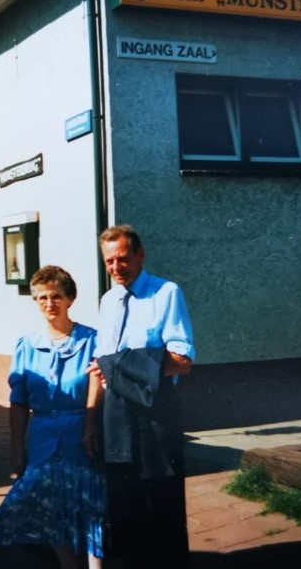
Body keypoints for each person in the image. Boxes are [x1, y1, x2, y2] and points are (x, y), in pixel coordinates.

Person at [87, 224, 195, 569]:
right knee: (124, 501)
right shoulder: (108, 301)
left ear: (140, 255)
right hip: (115, 413)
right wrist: (90, 421)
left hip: (155, 411)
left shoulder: (166, 293)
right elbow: (99, 366)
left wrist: (118, 365)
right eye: (109, 261)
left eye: (122, 258)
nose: (116, 267)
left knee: (161, 499)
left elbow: (182, 361)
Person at [0, 265, 104, 569]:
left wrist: (90, 425)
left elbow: (97, 384)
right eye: (42, 298)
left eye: (57, 296)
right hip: (42, 436)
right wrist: (17, 449)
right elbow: (18, 402)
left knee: (89, 504)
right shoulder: (26, 345)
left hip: (81, 434)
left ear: (70, 299)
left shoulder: (92, 340)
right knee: (50, 507)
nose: (50, 303)